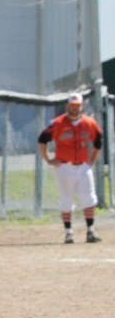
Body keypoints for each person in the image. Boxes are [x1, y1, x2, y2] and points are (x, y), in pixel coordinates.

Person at [38, 92, 103, 244]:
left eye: (77, 105)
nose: (74, 108)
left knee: (89, 198)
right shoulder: (57, 123)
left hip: (83, 166)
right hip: (64, 166)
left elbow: (98, 140)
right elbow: (42, 140)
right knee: (66, 199)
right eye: (72, 105)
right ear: (67, 105)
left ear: (82, 106)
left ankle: (90, 231)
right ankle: (69, 232)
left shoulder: (89, 122)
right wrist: (48, 159)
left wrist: (92, 159)